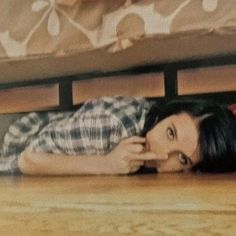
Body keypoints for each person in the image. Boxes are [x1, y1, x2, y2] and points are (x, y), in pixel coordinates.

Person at [0, 96, 235, 176]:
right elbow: (27, 159)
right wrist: (106, 164)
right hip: (11, 138)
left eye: (182, 159)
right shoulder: (113, 128)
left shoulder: (151, 122)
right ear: (167, 113)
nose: (163, 156)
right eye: (170, 132)